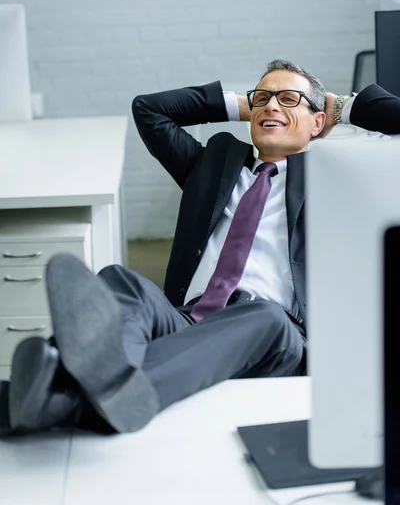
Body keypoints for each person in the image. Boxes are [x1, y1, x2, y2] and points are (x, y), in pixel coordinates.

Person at [1, 59, 399, 437]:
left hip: (277, 339)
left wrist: (344, 108)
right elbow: (150, 110)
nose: (272, 104)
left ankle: (59, 389)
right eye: (262, 97)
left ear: (317, 121)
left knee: (264, 316)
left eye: (289, 98)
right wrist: (247, 106)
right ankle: (85, 393)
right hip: (190, 321)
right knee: (120, 282)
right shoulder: (212, 166)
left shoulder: (337, 180)